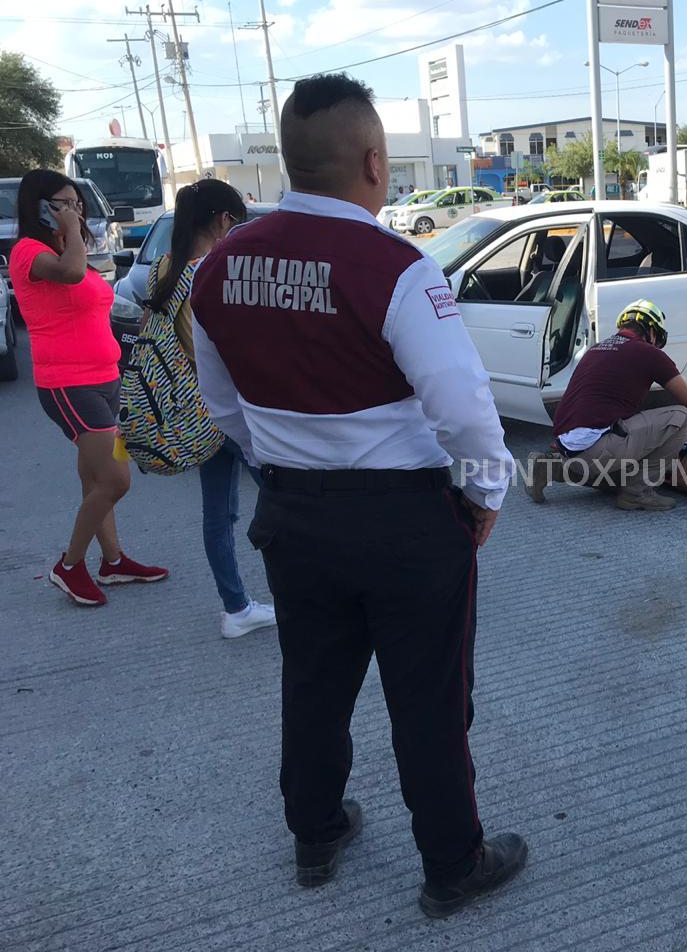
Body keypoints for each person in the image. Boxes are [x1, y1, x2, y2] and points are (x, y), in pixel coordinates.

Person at [189, 72, 526, 918]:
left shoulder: (219, 267)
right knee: (429, 701)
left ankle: (316, 830)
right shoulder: (400, 266)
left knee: (312, 682)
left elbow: (222, 407)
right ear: (375, 160)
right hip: (405, 522)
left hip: (296, 515)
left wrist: (286, 467)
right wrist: (486, 496)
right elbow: (465, 409)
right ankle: (453, 865)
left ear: (291, 162)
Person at [9, 169, 168, 606]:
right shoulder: (28, 253)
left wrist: (70, 228)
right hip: (68, 384)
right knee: (116, 480)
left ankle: (113, 563)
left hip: (104, 380)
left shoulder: (63, 247)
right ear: (40, 207)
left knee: (94, 477)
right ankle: (70, 564)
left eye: (78, 204)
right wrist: (71, 231)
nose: (75, 211)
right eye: (64, 203)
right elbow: (74, 272)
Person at [142, 178, 277, 640]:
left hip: (190, 414)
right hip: (228, 411)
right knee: (287, 500)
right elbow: (222, 350)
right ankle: (304, 594)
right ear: (224, 220)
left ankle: (236, 607)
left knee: (218, 514)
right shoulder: (211, 272)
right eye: (236, 222)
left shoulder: (163, 268)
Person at [526, 299, 687, 512]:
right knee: (681, 417)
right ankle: (637, 494)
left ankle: (550, 468)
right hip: (597, 451)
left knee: (620, 477)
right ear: (651, 330)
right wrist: (684, 442)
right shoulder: (649, 353)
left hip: (568, 448)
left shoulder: (596, 349)